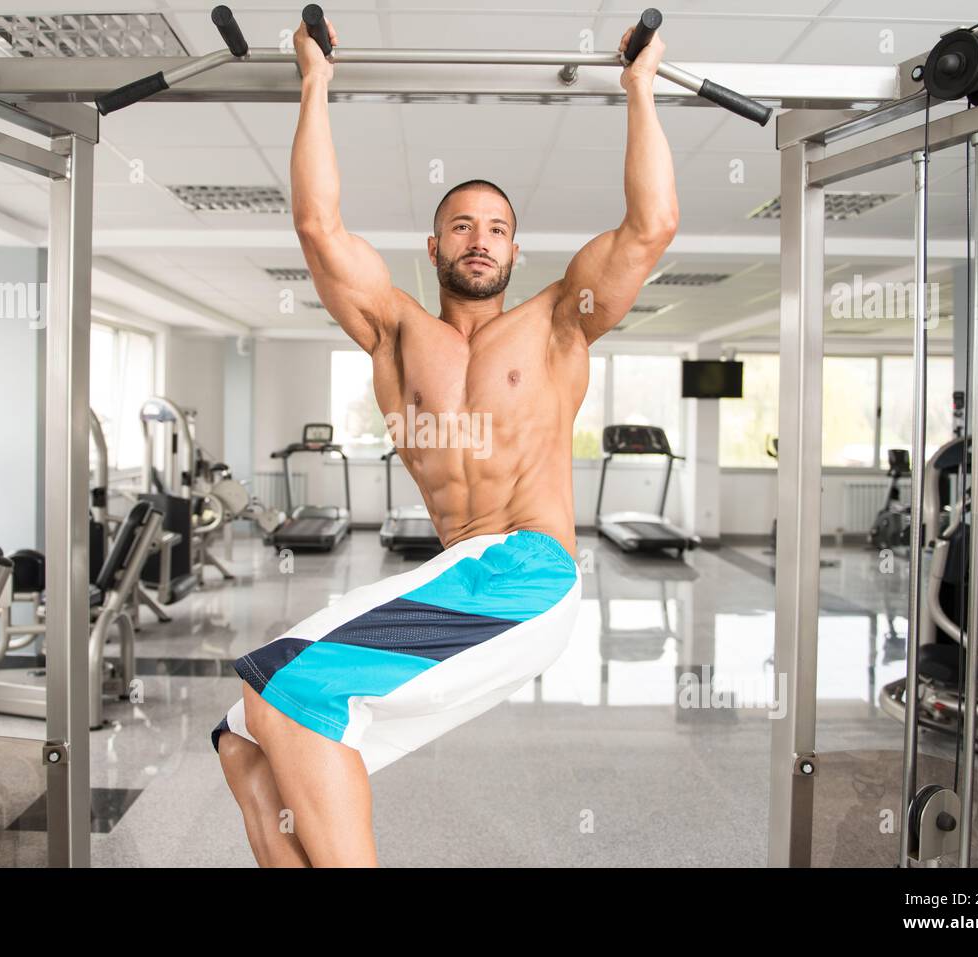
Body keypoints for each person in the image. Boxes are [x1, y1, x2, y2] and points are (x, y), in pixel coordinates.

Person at [212, 14, 678, 867]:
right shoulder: (395, 332)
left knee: (291, 692)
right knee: (243, 732)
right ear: (434, 247)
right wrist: (315, 82)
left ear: (515, 250)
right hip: (463, 574)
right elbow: (319, 226)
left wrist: (639, 89)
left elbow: (651, 227)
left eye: (496, 228)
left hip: (528, 571)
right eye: (462, 226)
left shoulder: (555, 328)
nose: (479, 240)